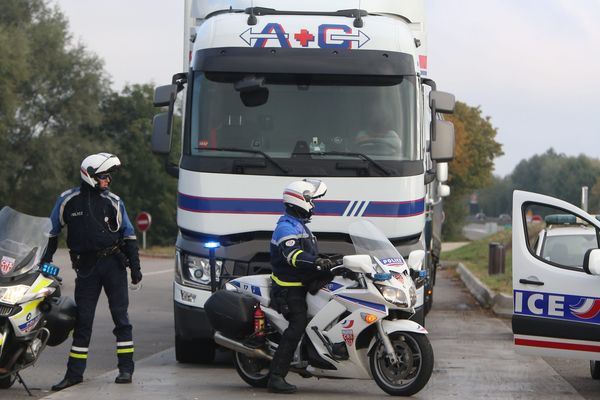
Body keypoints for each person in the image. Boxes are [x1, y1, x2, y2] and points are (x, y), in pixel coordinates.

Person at [42, 152, 142, 391]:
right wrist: (43, 261)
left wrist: (135, 267)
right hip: (86, 268)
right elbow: (51, 233)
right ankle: (74, 374)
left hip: (114, 266)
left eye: (109, 176)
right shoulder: (68, 200)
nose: (108, 180)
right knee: (83, 322)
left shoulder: (114, 201)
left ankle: (126, 369)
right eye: (103, 176)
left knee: (121, 319)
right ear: (89, 176)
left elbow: (128, 235)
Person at [268, 179, 335, 394]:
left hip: (302, 284)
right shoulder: (285, 228)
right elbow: (293, 257)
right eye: (310, 200)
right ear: (299, 200)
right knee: (298, 323)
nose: (313, 205)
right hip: (288, 288)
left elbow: (310, 255)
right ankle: (276, 376)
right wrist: (315, 262)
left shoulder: (300, 226)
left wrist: (332, 261)